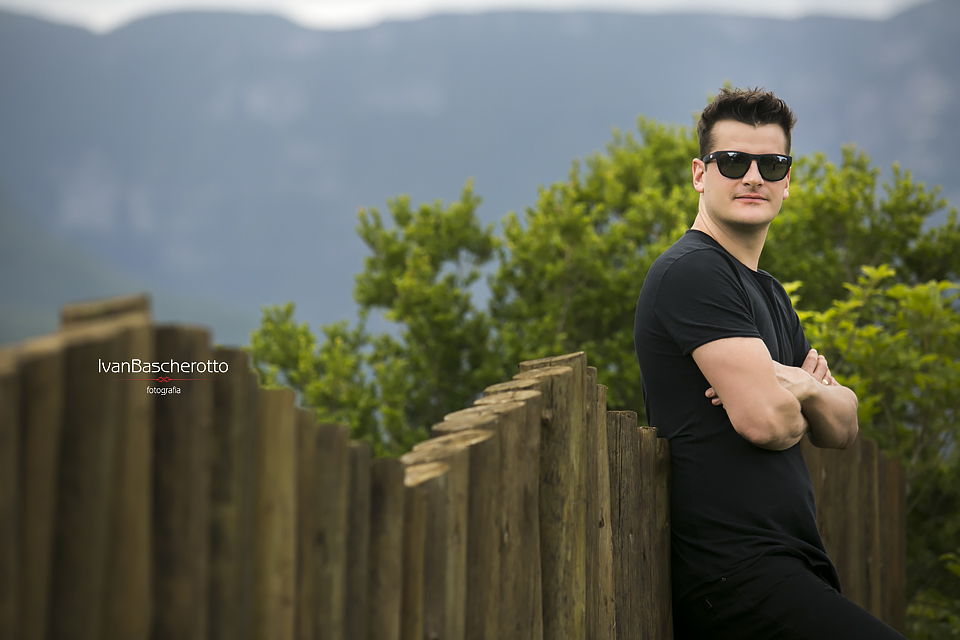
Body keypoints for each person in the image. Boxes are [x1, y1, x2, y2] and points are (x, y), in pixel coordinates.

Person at [633, 87, 907, 639]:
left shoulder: (770, 294)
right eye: (733, 162)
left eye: (772, 164)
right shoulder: (694, 272)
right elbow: (766, 422)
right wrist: (802, 392)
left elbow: (843, 428)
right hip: (734, 578)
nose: (753, 177)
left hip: (786, 567)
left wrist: (799, 388)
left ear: (787, 180)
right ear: (700, 174)